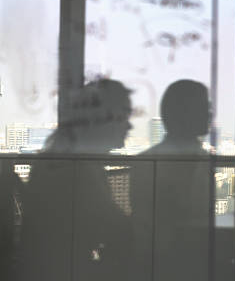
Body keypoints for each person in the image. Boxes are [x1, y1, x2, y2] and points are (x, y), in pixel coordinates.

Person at [19, 79, 134, 281]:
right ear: (100, 118)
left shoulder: (67, 159)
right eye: (123, 115)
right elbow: (118, 229)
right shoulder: (78, 169)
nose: (129, 124)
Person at [131, 80, 212, 281]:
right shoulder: (157, 162)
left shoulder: (150, 160)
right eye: (204, 107)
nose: (210, 114)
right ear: (184, 113)